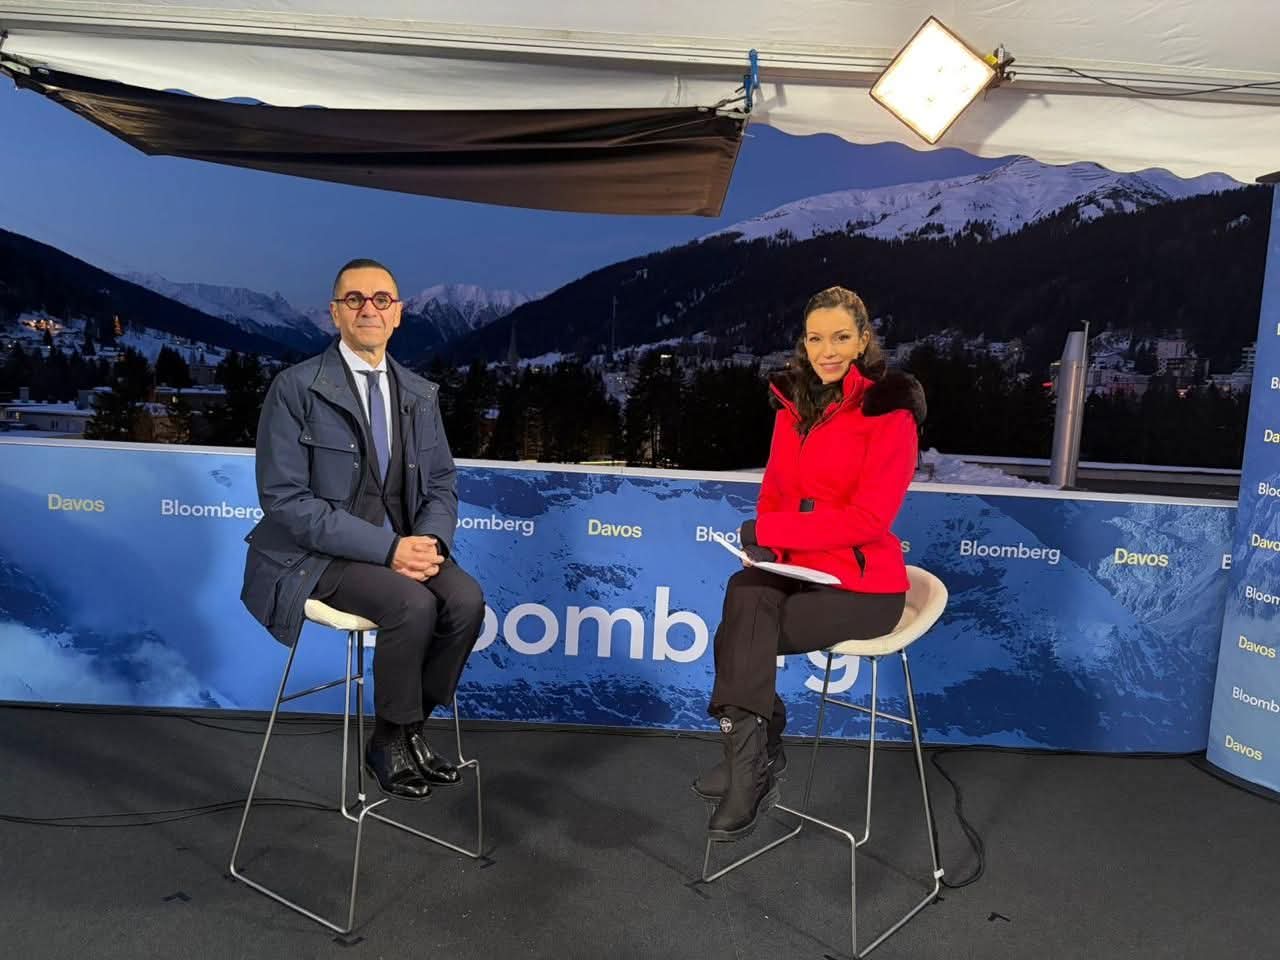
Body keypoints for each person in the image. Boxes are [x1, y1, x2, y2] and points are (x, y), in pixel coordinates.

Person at [241, 258, 485, 801]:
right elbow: (285, 500)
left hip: (404, 544)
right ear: (335, 313)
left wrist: (430, 543)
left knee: (466, 601)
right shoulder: (296, 388)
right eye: (354, 299)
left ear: (398, 314)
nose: (368, 309)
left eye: (381, 299)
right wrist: (390, 549)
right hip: (317, 555)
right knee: (412, 605)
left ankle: (408, 728)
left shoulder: (419, 394)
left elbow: (441, 483)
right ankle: (387, 743)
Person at [695, 285, 926, 841]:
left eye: (841, 337)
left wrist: (771, 532)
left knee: (742, 630)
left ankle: (752, 763)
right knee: (745, 591)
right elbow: (775, 492)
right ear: (803, 341)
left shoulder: (889, 411)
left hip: (865, 589)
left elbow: (868, 518)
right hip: (802, 569)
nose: (827, 351)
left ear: (863, 340)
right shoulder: (792, 406)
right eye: (816, 338)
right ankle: (754, 759)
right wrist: (769, 545)